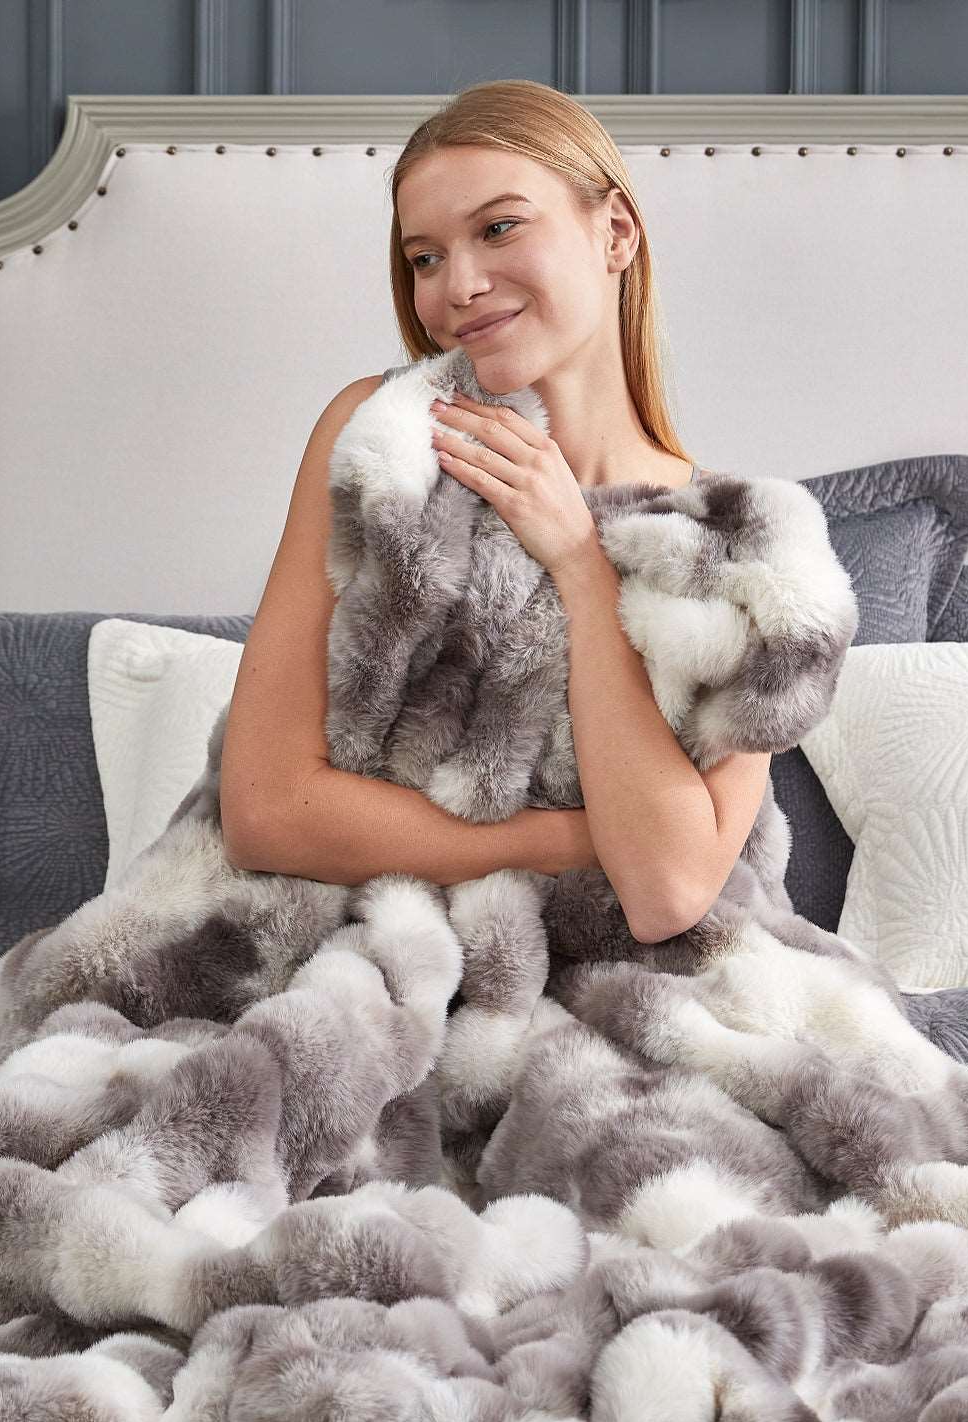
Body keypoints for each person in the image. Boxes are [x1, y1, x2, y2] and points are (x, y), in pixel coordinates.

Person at [218, 79, 771, 945]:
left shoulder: (735, 546)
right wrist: (566, 842)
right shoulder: (385, 441)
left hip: (618, 989)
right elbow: (266, 806)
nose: (458, 286)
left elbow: (667, 891)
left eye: (499, 228)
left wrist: (581, 564)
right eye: (426, 257)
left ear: (615, 231)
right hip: (367, 952)